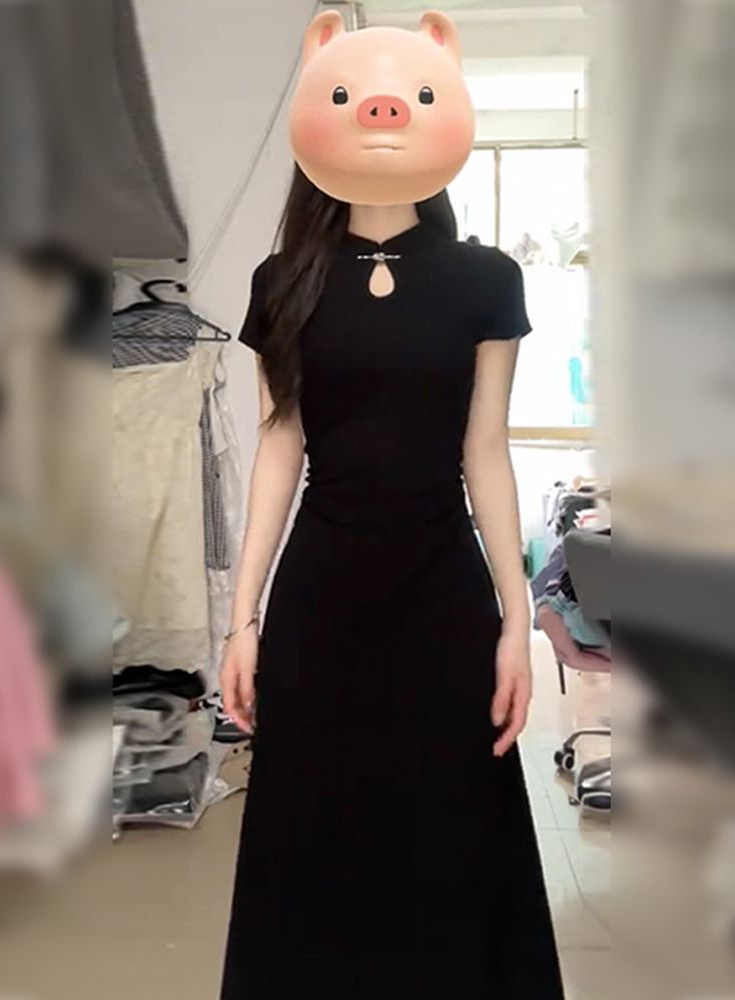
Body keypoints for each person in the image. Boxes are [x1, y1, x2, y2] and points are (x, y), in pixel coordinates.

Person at [219, 10, 563, 999]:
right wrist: (242, 619)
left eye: (412, 96)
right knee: (313, 824)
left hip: (442, 592)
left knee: (450, 821)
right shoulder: (283, 281)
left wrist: (515, 622)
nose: (382, 114)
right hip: (320, 593)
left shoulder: (485, 280)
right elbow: (280, 444)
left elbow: (485, 451)